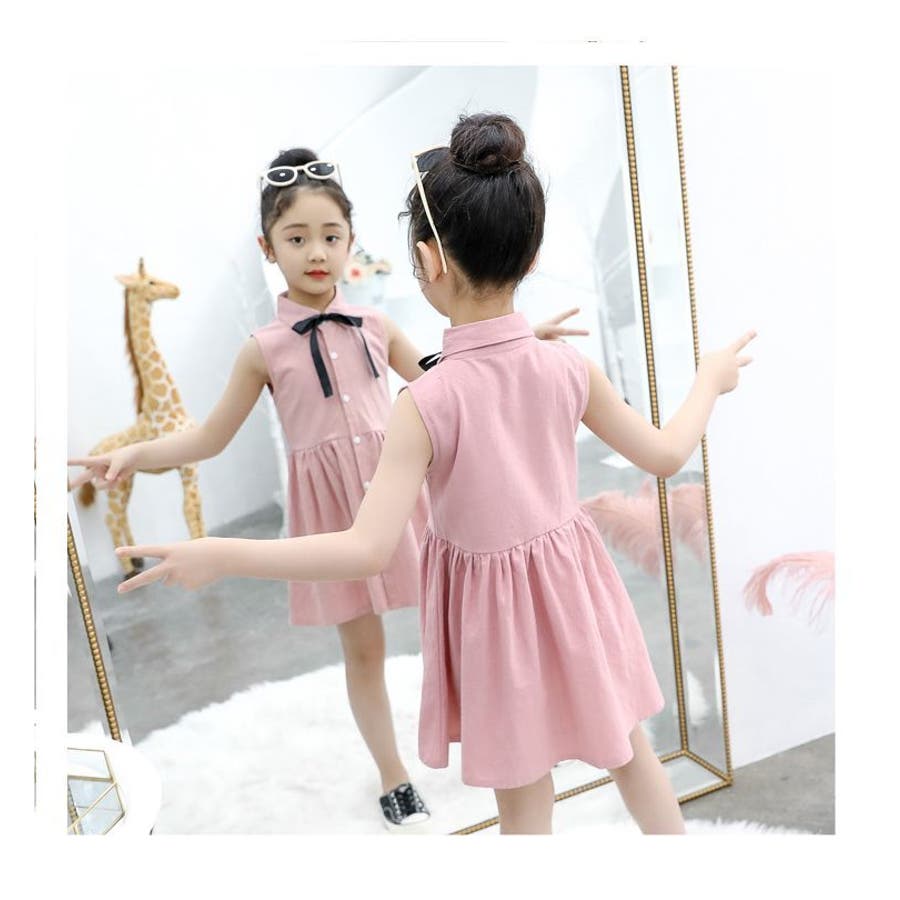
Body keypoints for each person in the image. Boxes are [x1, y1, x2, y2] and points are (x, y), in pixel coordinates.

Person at [73, 116, 755, 834]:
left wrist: (220, 554)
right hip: (578, 595)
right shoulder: (568, 369)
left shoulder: (424, 403)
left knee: (526, 800)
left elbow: (365, 546)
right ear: (528, 254)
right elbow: (665, 454)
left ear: (427, 261)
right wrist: (708, 379)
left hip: (497, 623)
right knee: (630, 751)